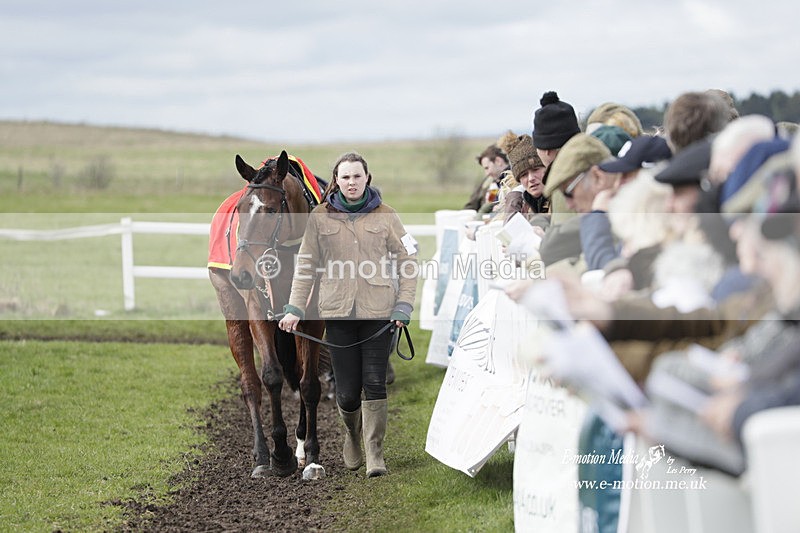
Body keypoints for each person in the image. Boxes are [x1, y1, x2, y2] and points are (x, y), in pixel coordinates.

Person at [278, 152, 418, 478]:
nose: (352, 182)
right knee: (346, 391)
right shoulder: (319, 217)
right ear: (336, 181)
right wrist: (295, 308)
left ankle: (375, 452)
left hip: (379, 313)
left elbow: (408, 262)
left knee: (375, 382)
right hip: (337, 313)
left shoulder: (388, 215)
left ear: (367, 178)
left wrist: (404, 304)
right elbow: (306, 266)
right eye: (345, 177)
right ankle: (353, 434)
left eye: (357, 176)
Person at [502, 133, 549, 220]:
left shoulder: (560, 197)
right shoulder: (523, 202)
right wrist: (514, 197)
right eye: (524, 175)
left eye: (535, 170)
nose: (531, 178)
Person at [464, 143, 510, 212]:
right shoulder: (490, 182)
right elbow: (472, 205)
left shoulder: (515, 180)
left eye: (487, 168)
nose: (487, 173)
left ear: (498, 161)